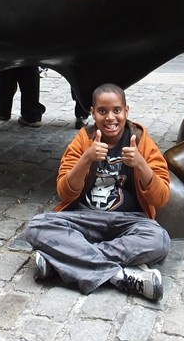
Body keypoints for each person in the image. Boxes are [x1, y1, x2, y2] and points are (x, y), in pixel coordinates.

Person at [23, 83, 170, 301]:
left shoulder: (140, 140)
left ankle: (62, 261)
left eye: (117, 110)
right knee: (36, 227)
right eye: (102, 111)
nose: (110, 118)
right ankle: (119, 276)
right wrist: (86, 159)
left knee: (159, 240)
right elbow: (65, 193)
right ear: (93, 113)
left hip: (128, 222)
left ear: (126, 111)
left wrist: (141, 164)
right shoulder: (84, 140)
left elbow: (161, 197)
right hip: (84, 220)